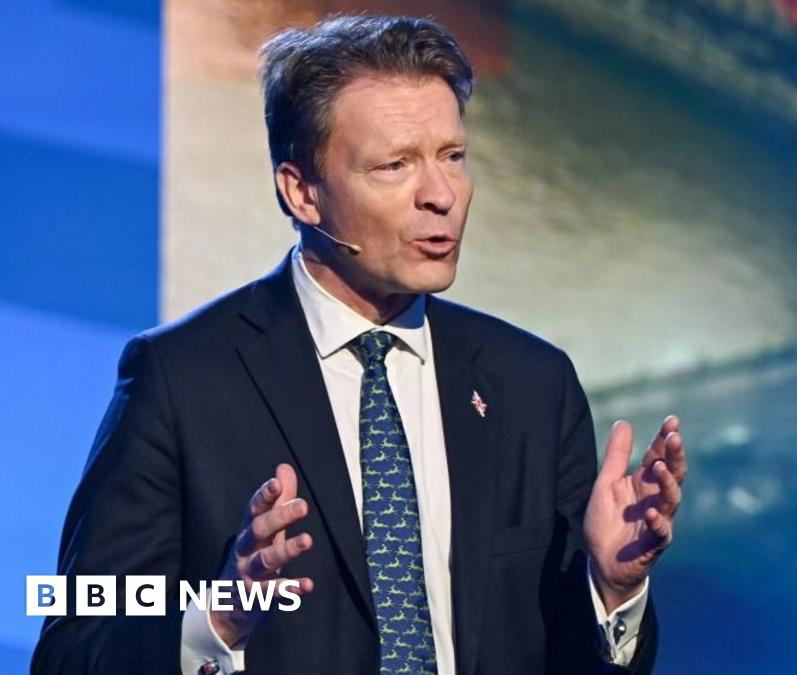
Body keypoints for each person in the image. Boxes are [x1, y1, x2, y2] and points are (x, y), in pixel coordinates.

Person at [31, 14, 686, 675]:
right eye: (395, 164)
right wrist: (218, 620)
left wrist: (613, 588)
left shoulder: (531, 385)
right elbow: (71, 655)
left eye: (453, 156)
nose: (441, 195)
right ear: (301, 191)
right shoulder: (180, 380)